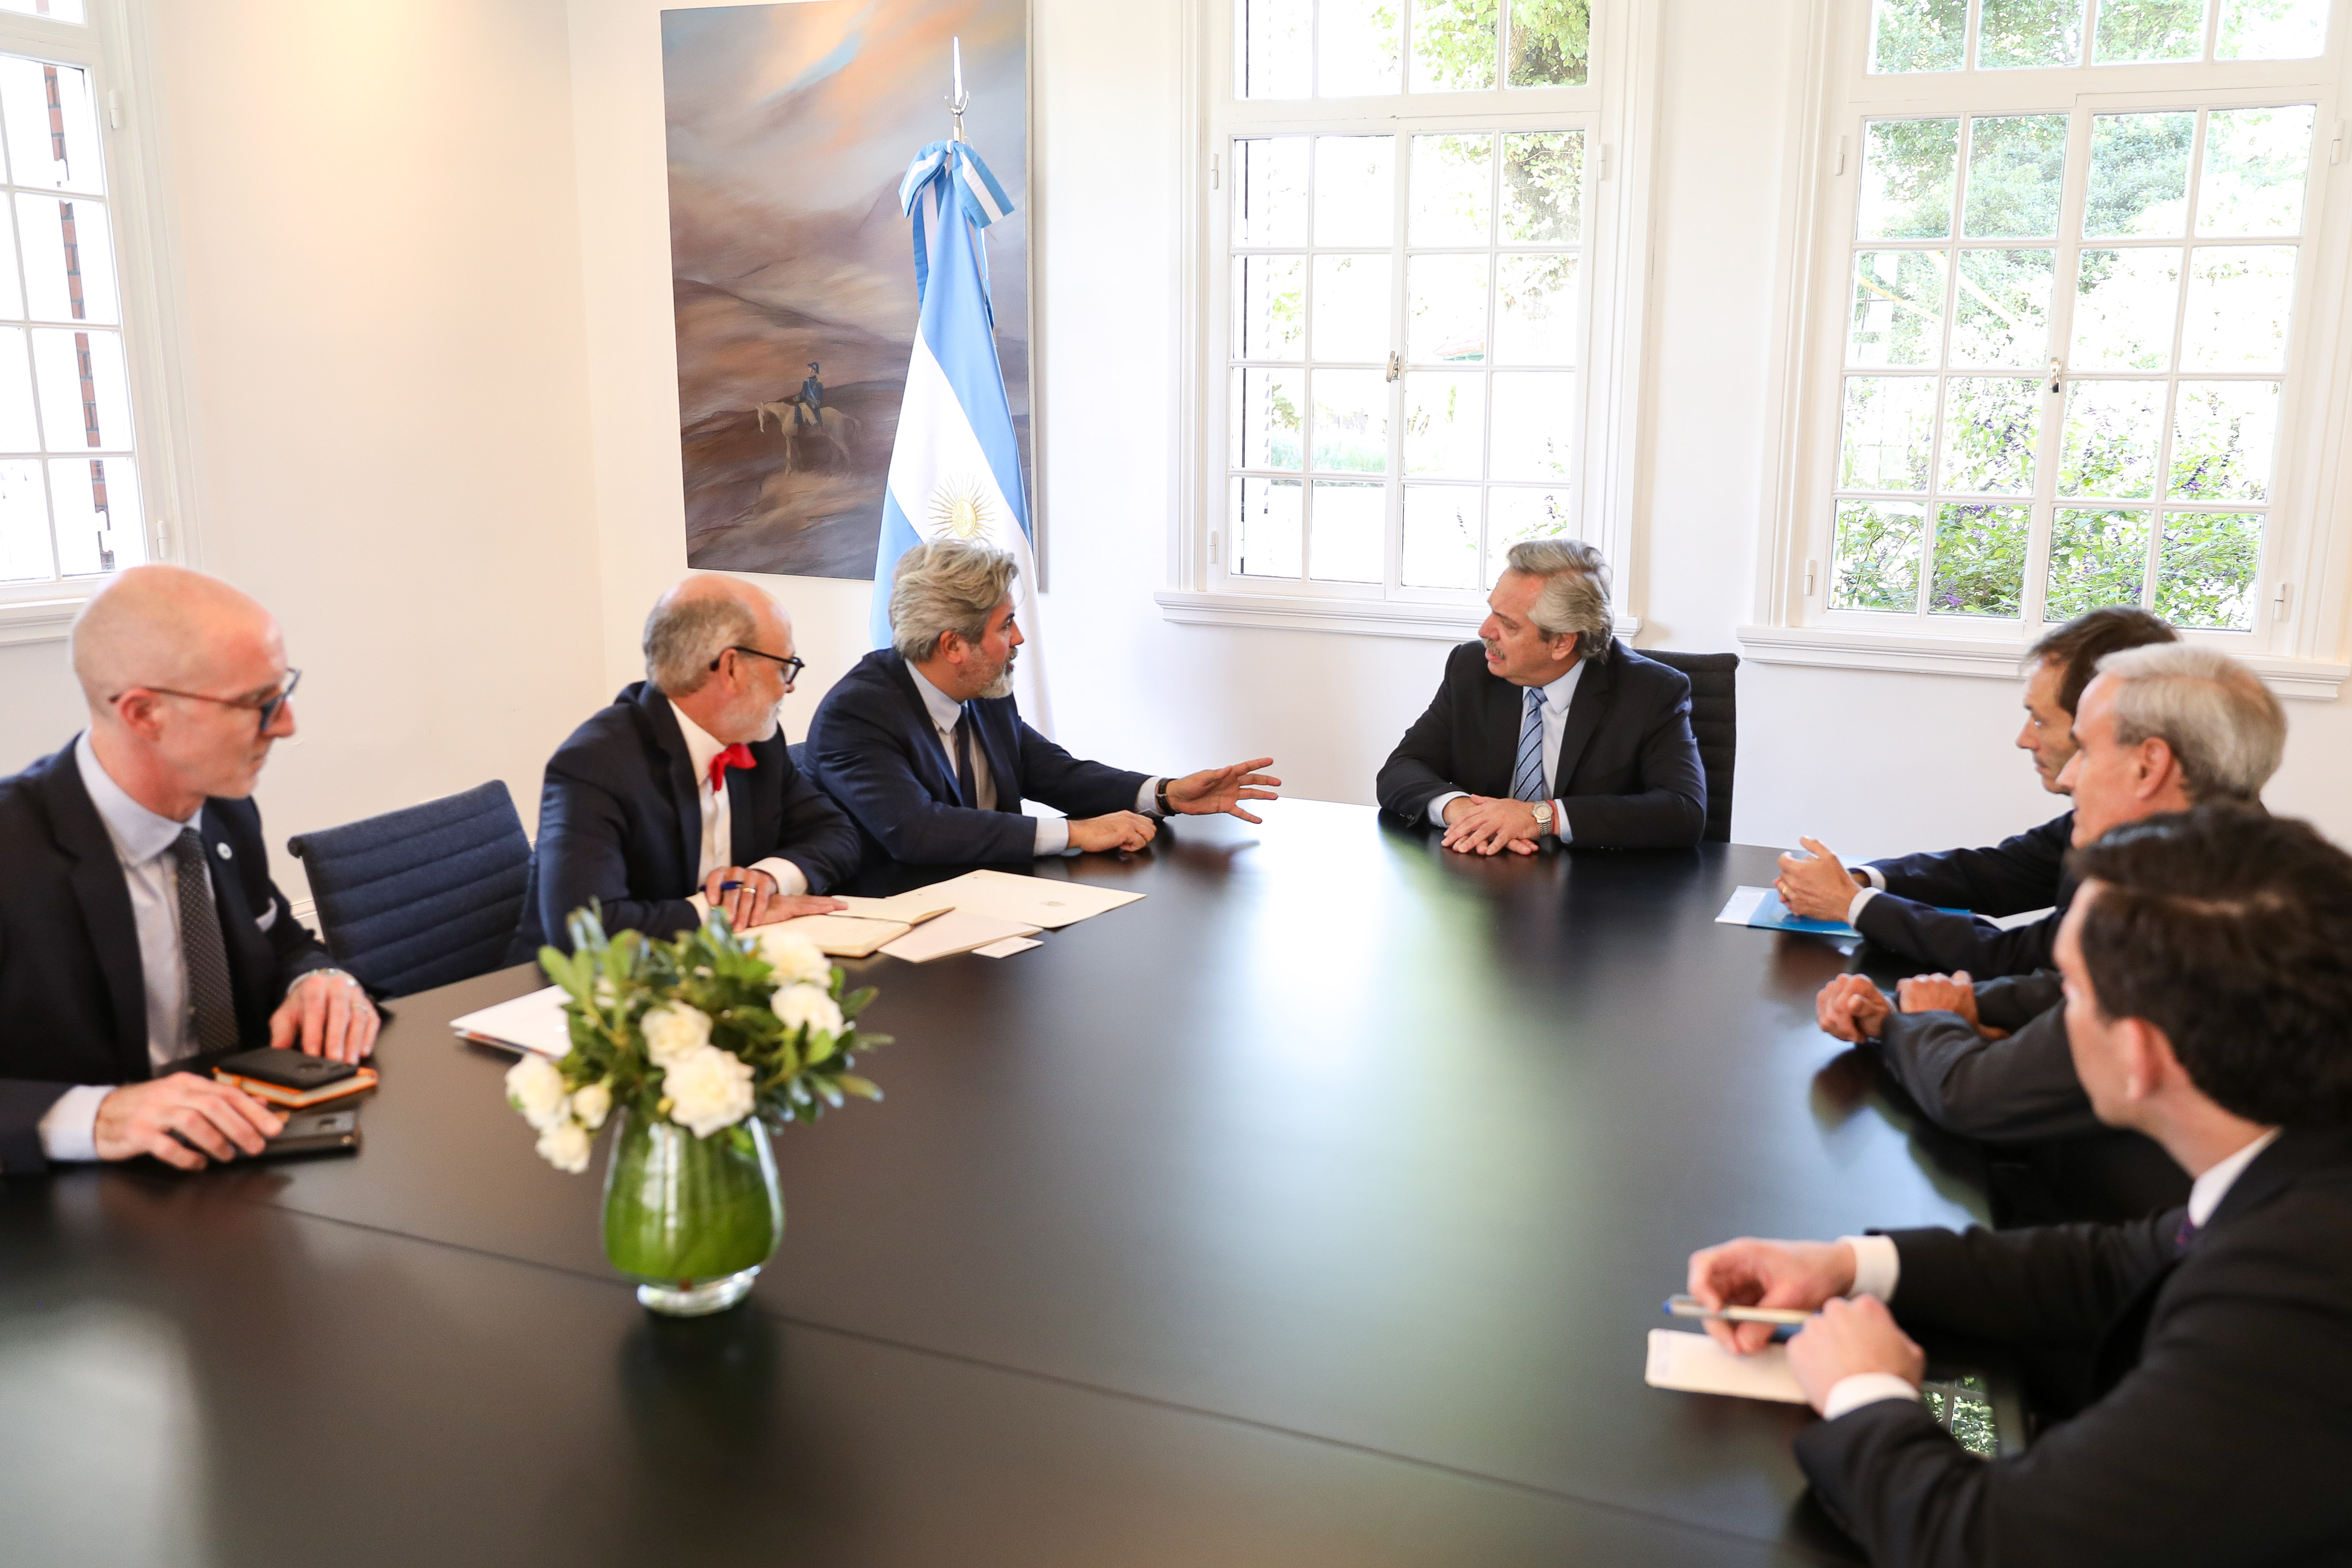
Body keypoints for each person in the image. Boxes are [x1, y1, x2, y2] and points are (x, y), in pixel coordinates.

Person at [1686, 805, 2352, 1566]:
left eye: (2066, 992)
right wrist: (1847, 1265)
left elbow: (1984, 1542)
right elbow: (2113, 1265)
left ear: (2136, 1053)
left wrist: (1863, 1391)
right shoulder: (2300, 1164)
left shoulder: (2293, 1304)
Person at [1813, 643, 2285, 1216]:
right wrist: (1923, 1007)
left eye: (2082, 747)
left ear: (2149, 765)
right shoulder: (2220, 864)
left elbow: (1972, 1092)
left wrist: (1916, 1017)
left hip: (2123, 1232)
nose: (2065, 775)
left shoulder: (2197, 912)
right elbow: (2058, 990)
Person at [0, 565, 379, 1174]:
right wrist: (98, 1115)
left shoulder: (224, 808)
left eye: (281, 692)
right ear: (144, 713)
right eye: (257, 704)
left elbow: (279, 939)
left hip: (241, 1165)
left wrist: (316, 977)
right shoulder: (13, 850)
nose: (286, 724)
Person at [805, 539, 1280, 866]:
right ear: (953, 645)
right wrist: (1076, 833)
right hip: (904, 932)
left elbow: (1054, 773)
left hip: (995, 902)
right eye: (1004, 625)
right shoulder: (858, 713)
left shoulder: (983, 690)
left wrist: (1165, 793)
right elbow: (917, 831)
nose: (1019, 638)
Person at [1775, 607, 2174, 974]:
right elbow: (1995, 872)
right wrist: (1860, 881)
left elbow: (2018, 958)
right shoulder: (2116, 813)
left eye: (2039, 721)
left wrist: (1851, 904)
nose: (2023, 739)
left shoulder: (2164, 856)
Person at [513, 575, 863, 954]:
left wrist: (767, 880)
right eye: (784, 667)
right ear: (732, 669)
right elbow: (585, 930)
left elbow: (837, 832)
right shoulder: (594, 765)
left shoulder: (758, 740)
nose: (788, 687)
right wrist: (721, 912)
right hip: (575, 996)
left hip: (719, 968)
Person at [1376, 539, 1705, 852]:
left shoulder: (1650, 691)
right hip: (1481, 880)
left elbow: (1683, 810)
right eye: (1492, 611)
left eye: (1508, 625)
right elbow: (1401, 769)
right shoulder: (1471, 669)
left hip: (1594, 891)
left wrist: (1539, 817)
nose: (1485, 631)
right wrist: (1461, 811)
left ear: (1562, 642)